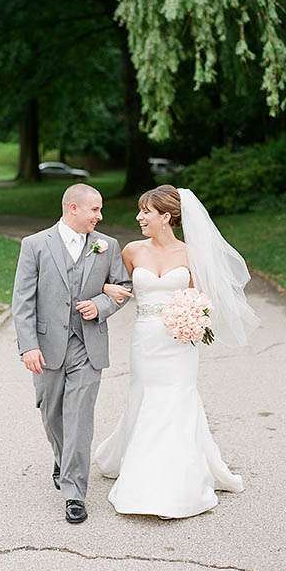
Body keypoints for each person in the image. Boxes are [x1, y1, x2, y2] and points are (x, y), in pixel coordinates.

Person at [93, 185, 259, 518]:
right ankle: (141, 466)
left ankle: (173, 483)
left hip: (179, 343)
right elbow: (116, 287)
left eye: (146, 211)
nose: (139, 217)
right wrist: (107, 289)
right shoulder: (132, 251)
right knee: (144, 396)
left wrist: (194, 317)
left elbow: (206, 299)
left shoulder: (191, 254)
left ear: (166, 216)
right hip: (144, 341)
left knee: (175, 401)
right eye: (140, 211)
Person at [12, 183, 132, 524]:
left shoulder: (107, 246)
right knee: (51, 412)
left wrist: (100, 304)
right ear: (73, 208)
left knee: (80, 417)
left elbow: (124, 287)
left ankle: (74, 493)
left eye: (100, 210)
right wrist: (28, 346)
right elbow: (22, 301)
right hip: (47, 346)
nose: (100, 215)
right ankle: (61, 457)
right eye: (95, 209)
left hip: (87, 345)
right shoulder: (34, 245)